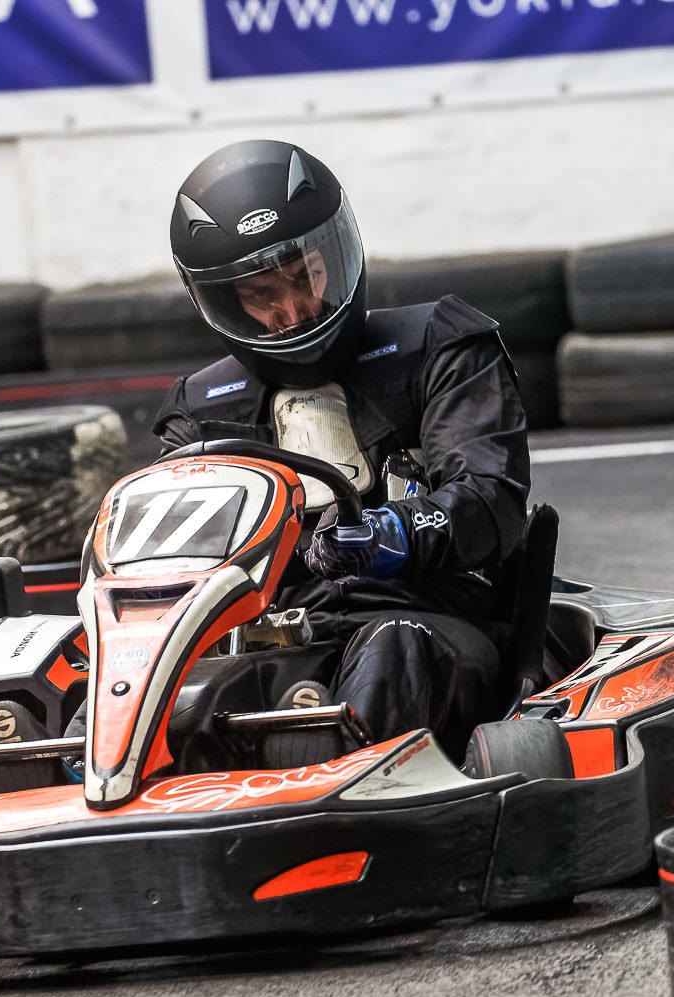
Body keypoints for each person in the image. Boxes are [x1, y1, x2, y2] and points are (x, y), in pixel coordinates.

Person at [150, 139, 533, 760]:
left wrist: (389, 533)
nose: (295, 309)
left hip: (426, 617)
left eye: (306, 276)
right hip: (273, 640)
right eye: (262, 295)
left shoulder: (440, 346)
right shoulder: (199, 411)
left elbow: (490, 498)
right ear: (223, 302)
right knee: (175, 689)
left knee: (391, 649)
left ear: (337, 253)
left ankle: (340, 787)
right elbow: (170, 559)